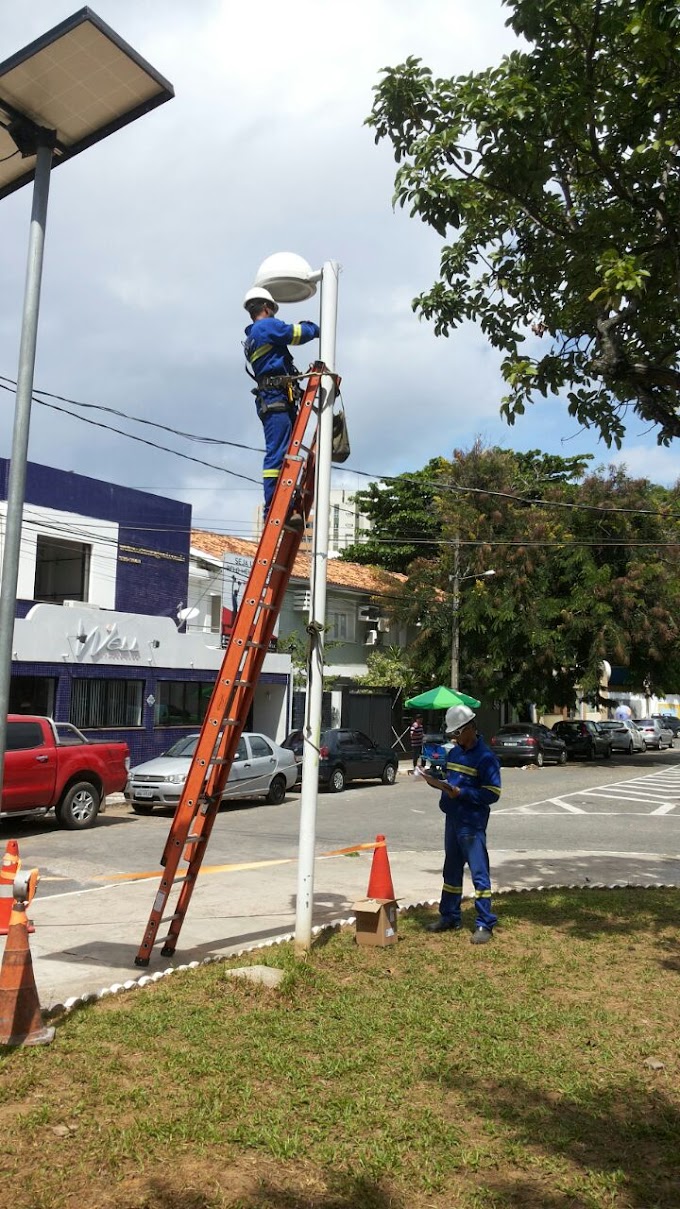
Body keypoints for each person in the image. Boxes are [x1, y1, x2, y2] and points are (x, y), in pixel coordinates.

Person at [416, 703, 501, 944]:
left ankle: (485, 923)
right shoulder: (454, 753)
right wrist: (437, 780)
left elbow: (492, 793)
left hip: (471, 824)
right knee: (451, 870)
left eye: (457, 733)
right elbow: (451, 778)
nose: (454, 739)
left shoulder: (486, 758)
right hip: (452, 819)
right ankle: (450, 916)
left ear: (469, 728)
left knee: (479, 873)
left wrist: (461, 793)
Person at [242, 287, 319, 515]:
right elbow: (297, 334)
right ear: (267, 308)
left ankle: (285, 502)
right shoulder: (266, 326)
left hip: (275, 397)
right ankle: (273, 509)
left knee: (285, 451)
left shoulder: (252, 335)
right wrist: (315, 328)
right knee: (278, 453)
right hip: (275, 397)